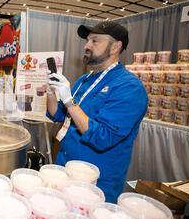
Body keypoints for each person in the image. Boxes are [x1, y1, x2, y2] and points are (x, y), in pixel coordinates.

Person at [46, 21, 148, 203]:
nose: (86, 45)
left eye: (95, 41)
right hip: (65, 169)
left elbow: (102, 137)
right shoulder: (84, 80)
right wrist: (51, 94)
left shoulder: (129, 87)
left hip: (95, 184)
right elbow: (60, 116)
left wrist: (69, 101)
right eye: (87, 40)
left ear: (116, 46)